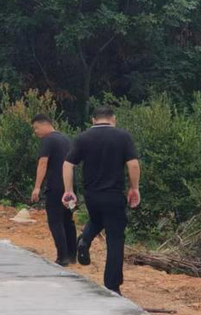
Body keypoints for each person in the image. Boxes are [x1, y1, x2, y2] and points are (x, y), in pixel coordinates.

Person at [61, 105, 141, 295]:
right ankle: (112, 285)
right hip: (113, 195)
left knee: (97, 219)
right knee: (115, 238)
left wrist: (68, 191)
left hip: (92, 196)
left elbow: (67, 164)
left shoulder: (83, 137)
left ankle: (85, 239)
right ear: (113, 119)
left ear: (93, 120)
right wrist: (134, 188)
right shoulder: (123, 137)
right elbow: (133, 164)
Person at [30, 113, 77, 266]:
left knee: (55, 221)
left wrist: (37, 187)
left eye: (36, 128)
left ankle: (62, 257)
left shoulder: (48, 140)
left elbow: (43, 163)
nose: (35, 132)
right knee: (68, 221)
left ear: (45, 125)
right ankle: (72, 255)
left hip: (55, 187)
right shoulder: (66, 139)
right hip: (69, 188)